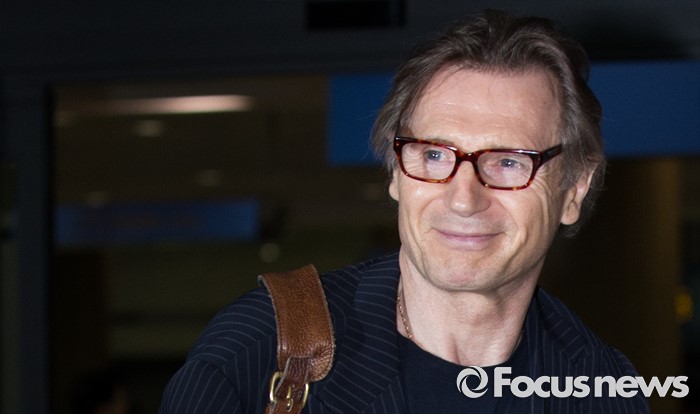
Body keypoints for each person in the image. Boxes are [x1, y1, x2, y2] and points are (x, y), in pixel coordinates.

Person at [159, 10, 648, 413]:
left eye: (508, 162)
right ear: (396, 171)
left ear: (574, 189)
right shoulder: (263, 351)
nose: (463, 198)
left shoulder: (601, 391)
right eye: (433, 155)